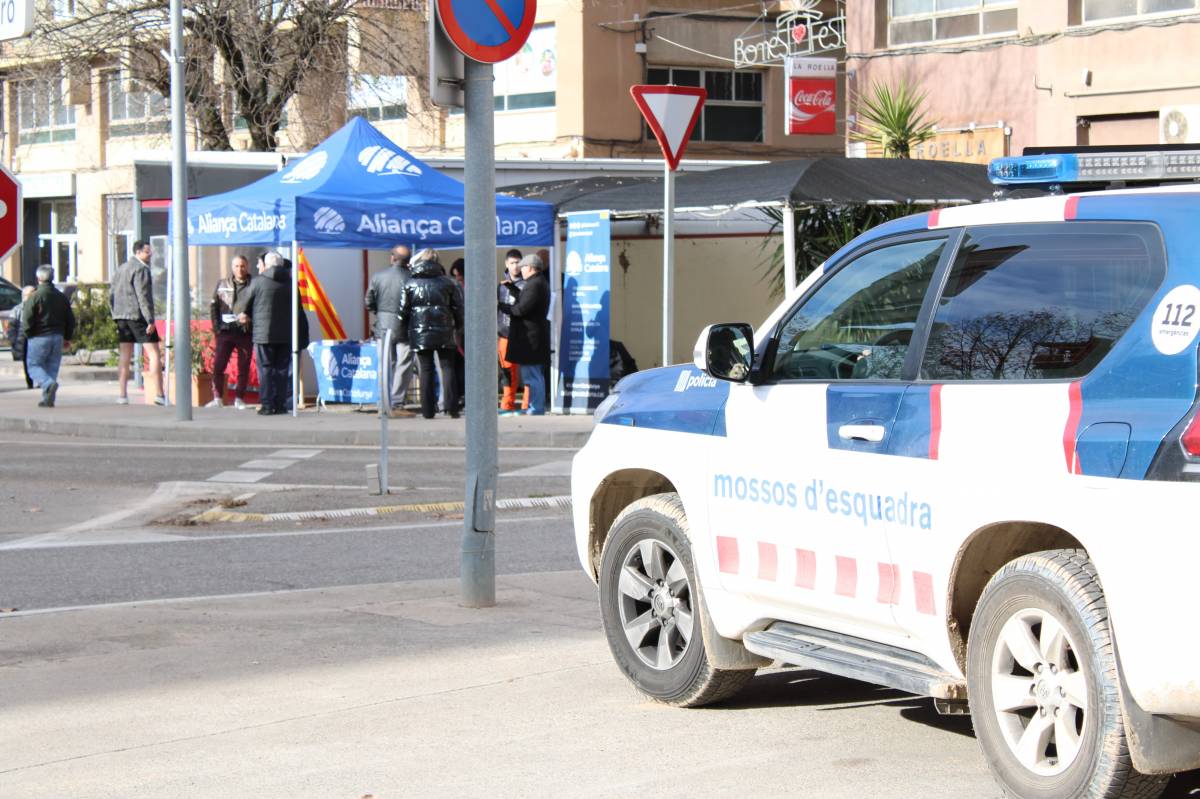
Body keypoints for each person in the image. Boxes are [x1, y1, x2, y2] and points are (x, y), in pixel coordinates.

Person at [397, 248, 463, 419]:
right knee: (447, 368)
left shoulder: (409, 283)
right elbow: (458, 309)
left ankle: (428, 410)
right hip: (445, 330)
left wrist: (407, 329)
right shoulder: (449, 283)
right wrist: (458, 327)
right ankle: (451, 407)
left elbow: (402, 312)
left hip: (420, 333)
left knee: (425, 370)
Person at [237, 252, 294, 415]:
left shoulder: (257, 282)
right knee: (282, 370)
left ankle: (267, 405)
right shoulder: (291, 283)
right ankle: (281, 404)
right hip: (285, 335)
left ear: (266, 265)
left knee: (266, 369)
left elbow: (243, 306)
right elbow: (297, 309)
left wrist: (244, 315)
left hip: (263, 335)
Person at [111, 239, 164, 405]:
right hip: (138, 316)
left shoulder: (121, 268)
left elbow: (111, 293)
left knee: (124, 355)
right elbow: (143, 295)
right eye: (148, 252)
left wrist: (115, 314)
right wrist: (149, 319)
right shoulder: (141, 269)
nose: (150, 254)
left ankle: (122, 395)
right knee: (154, 353)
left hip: (121, 317)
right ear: (138, 252)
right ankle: (159, 394)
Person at [365, 245, 416, 418]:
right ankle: (396, 402)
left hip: (383, 326)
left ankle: (383, 403)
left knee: (385, 366)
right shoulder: (411, 278)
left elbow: (369, 301)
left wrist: (378, 312)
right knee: (404, 364)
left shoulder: (378, 277)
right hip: (405, 326)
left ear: (393, 258)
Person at [498, 253, 550, 415]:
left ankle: (535, 408)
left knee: (532, 376)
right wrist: (512, 289)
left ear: (530, 267)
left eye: (523, 267)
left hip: (531, 338)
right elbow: (524, 300)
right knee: (532, 375)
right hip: (531, 336)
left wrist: (500, 305)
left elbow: (520, 309)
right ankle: (533, 407)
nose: (521, 270)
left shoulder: (535, 284)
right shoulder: (536, 282)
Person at [18, 265, 75, 408]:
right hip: (57, 336)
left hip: (39, 336)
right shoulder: (61, 297)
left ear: (38, 278)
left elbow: (27, 318)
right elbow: (70, 319)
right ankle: (48, 398)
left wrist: (28, 333)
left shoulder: (35, 296)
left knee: (33, 366)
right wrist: (67, 337)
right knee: (52, 367)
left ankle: (47, 384)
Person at [207, 255, 254, 409]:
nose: (239, 269)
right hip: (225, 332)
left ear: (247, 267)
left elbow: (260, 306)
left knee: (244, 367)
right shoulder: (222, 284)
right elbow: (213, 307)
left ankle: (239, 398)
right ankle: (217, 398)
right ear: (232, 267)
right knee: (218, 366)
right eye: (236, 266)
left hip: (245, 332)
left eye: (242, 266)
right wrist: (217, 328)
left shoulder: (254, 284)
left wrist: (250, 319)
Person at [497, 248, 528, 415]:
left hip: (523, 333)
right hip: (504, 334)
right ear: (506, 264)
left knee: (527, 370)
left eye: (518, 263)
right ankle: (507, 403)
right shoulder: (501, 286)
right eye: (512, 263)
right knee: (507, 371)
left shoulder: (527, 284)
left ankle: (526, 405)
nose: (515, 266)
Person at [8, 285, 34, 389]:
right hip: (23, 341)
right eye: (32, 293)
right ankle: (30, 381)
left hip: (35, 339)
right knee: (26, 362)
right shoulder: (17, 309)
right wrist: (14, 342)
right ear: (25, 296)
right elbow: (12, 328)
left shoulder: (39, 307)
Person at [449, 258, 466, 414]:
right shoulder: (454, 287)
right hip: (457, 331)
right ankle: (459, 395)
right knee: (457, 366)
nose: (457, 279)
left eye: (459, 276)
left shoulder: (470, 287)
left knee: (464, 366)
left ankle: (464, 395)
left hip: (466, 331)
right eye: (455, 276)